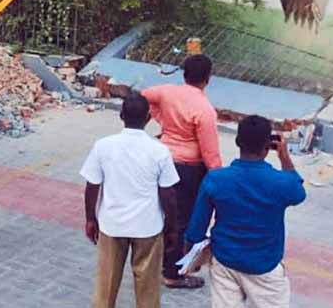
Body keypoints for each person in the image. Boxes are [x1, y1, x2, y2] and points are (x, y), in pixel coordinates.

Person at [184, 115, 306, 308]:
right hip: (264, 264)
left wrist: (190, 254)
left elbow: (197, 229)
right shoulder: (281, 182)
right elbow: (298, 193)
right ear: (269, 146)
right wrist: (284, 156)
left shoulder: (216, 179)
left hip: (225, 260)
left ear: (237, 141)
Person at [80, 92, 179, 308]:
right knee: (148, 290)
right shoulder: (159, 151)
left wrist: (90, 219)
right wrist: (171, 228)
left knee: (105, 286)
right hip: (148, 227)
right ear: (148, 117)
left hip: (112, 225)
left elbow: (92, 186)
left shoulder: (103, 146)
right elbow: (168, 195)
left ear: (121, 115)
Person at [141, 53, 221, 289]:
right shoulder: (204, 109)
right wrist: (218, 178)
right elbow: (210, 152)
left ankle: (153, 262)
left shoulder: (167, 91)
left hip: (163, 159)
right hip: (188, 169)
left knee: (163, 214)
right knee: (181, 221)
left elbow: (142, 97)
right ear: (208, 78)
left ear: (184, 74)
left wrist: (161, 121)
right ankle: (173, 274)